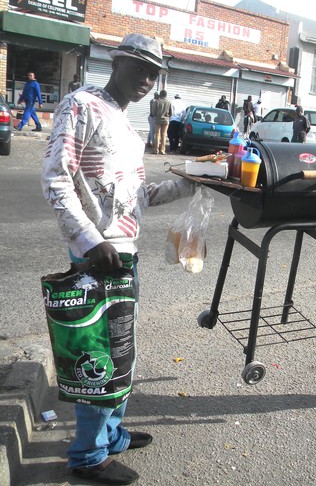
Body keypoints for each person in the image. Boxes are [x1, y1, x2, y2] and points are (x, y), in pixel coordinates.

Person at [42, 33, 195, 485]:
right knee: (99, 357)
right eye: (139, 68)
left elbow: (136, 198)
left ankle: (111, 436)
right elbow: (56, 179)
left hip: (123, 254)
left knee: (121, 350)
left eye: (154, 72)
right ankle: (88, 456)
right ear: (117, 62)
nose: (147, 79)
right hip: (97, 256)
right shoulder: (81, 105)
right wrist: (90, 241)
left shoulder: (129, 125)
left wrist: (194, 181)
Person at [152, 90, 172, 154]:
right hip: (165, 120)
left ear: (160, 95)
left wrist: (156, 115)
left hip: (157, 120)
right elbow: (171, 113)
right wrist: (167, 115)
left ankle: (156, 150)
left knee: (157, 134)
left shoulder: (156, 102)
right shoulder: (169, 102)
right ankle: (162, 150)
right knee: (164, 135)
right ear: (166, 95)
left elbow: (153, 112)